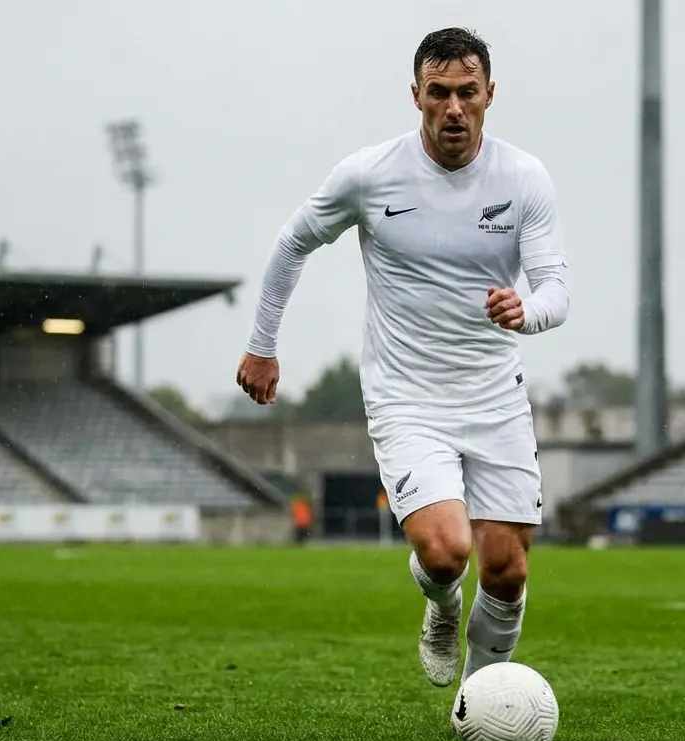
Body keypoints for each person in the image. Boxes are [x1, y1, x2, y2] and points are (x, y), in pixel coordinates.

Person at [234, 27, 570, 689]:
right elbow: (292, 242)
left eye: (466, 92)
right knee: (448, 553)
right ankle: (441, 607)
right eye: (438, 93)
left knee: (507, 568)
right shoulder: (369, 175)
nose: (453, 108)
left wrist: (524, 312)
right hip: (407, 395)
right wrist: (262, 345)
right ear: (415, 94)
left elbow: (557, 287)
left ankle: (479, 701)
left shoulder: (524, 178)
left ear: (489, 95)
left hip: (495, 393)